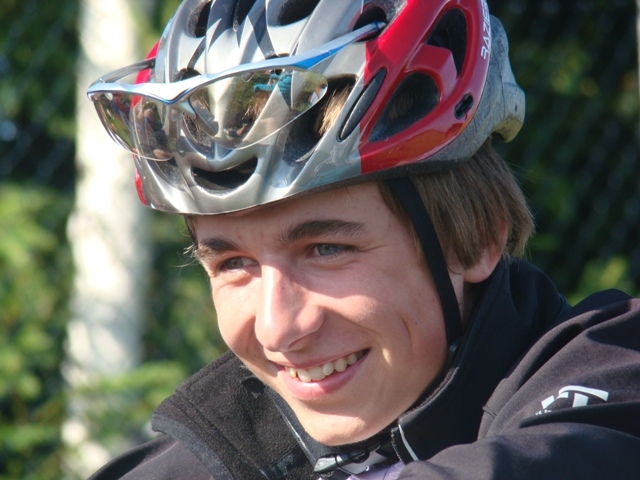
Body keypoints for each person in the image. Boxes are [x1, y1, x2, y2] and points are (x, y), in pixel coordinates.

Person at [85, 0, 640, 478]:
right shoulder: (204, 454)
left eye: (326, 249)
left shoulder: (613, 383)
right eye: (233, 263)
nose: (280, 328)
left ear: (475, 240)